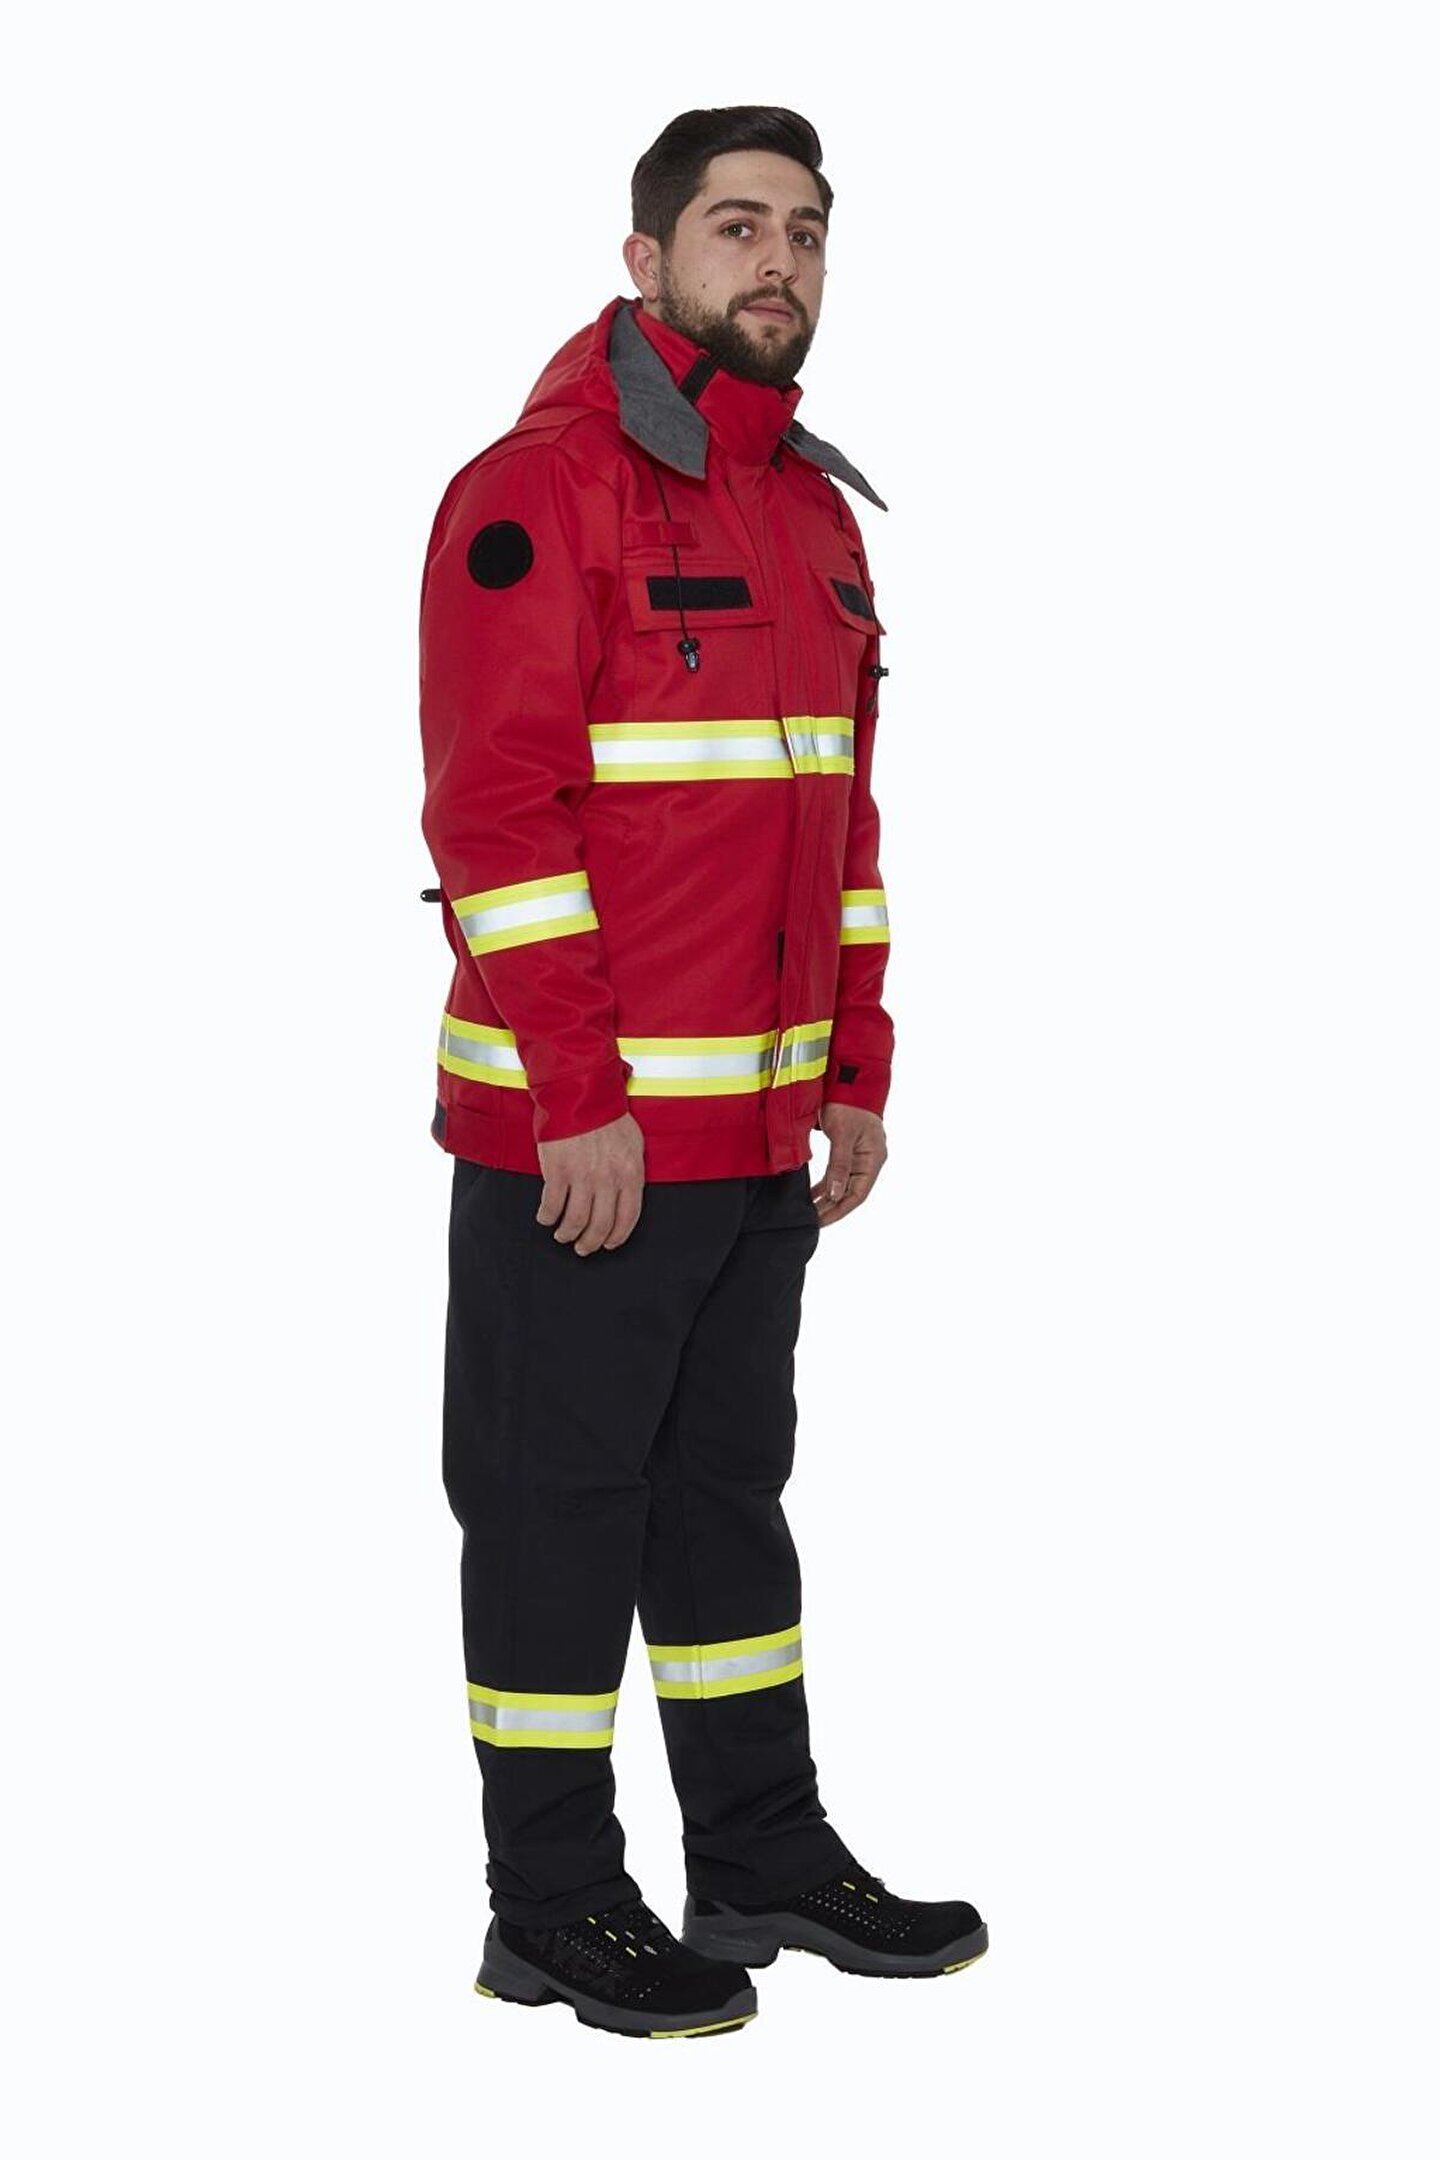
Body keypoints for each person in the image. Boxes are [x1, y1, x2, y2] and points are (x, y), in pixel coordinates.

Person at [417, 104, 987, 2040]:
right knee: (555, 1508)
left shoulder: (814, 518)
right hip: (584, 1148)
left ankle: (757, 1855)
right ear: (647, 256)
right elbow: (496, 819)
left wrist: (854, 1066)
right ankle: (553, 1903)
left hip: (755, 1148)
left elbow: (840, 828)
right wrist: (576, 1097)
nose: (780, 262)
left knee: (726, 1502)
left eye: (806, 232)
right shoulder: (540, 491)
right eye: (738, 226)